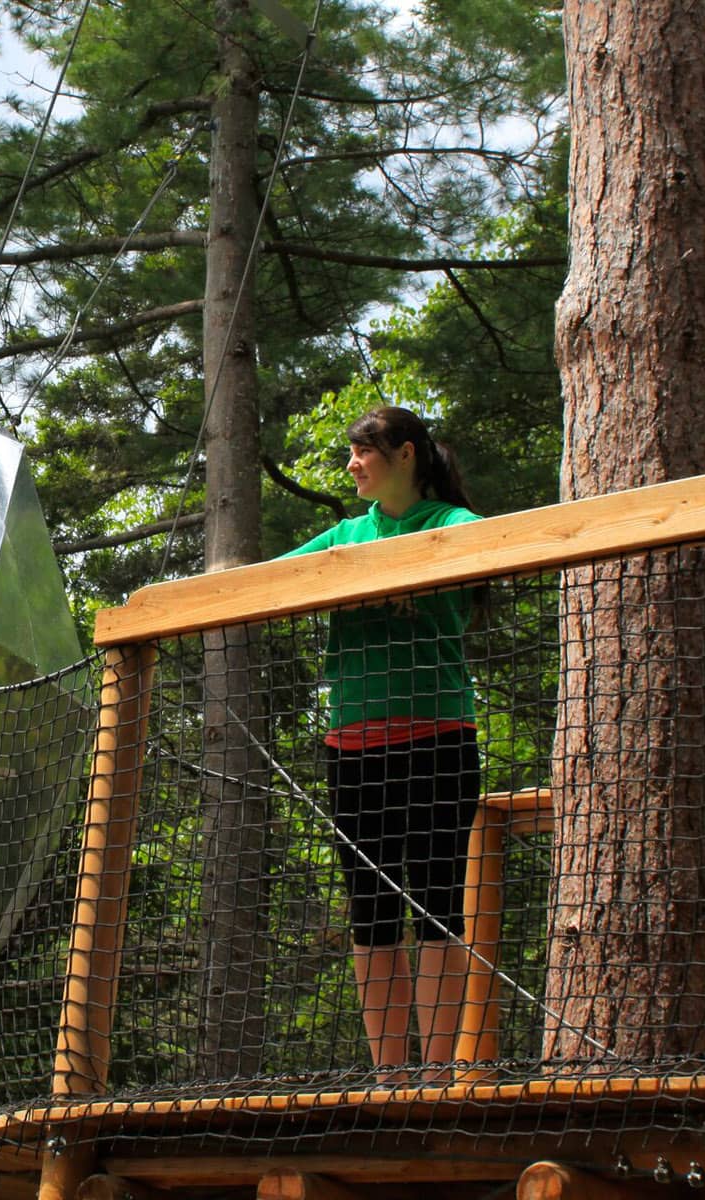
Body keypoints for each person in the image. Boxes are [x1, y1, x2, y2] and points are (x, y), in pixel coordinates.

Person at [282, 406, 482, 1082]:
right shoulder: (344, 535)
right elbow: (270, 578)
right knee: (371, 912)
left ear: (404, 455)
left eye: (362, 452)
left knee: (437, 903)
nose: (350, 465)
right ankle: (389, 1077)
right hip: (353, 749)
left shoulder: (452, 525)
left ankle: (437, 1075)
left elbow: (497, 544)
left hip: (438, 740)